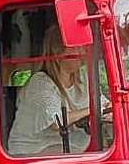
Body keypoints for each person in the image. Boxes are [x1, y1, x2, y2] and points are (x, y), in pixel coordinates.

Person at [7, 26, 91, 156]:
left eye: (82, 47)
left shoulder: (83, 78)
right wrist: (93, 110)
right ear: (58, 51)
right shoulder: (40, 82)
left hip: (69, 150)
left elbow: (103, 105)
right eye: (75, 47)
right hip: (32, 154)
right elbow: (56, 122)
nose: (81, 52)